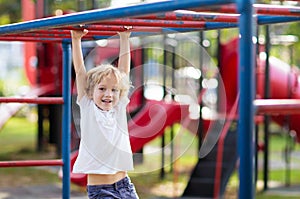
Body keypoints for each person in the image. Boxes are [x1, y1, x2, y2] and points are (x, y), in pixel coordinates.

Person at [71, 28, 139, 199]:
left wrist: (124, 38)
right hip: (101, 190)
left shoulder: (118, 108)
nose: (108, 94)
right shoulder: (88, 106)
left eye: (114, 90)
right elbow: (80, 72)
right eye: (102, 89)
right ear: (90, 91)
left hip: (125, 185)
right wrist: (76, 39)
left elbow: (124, 72)